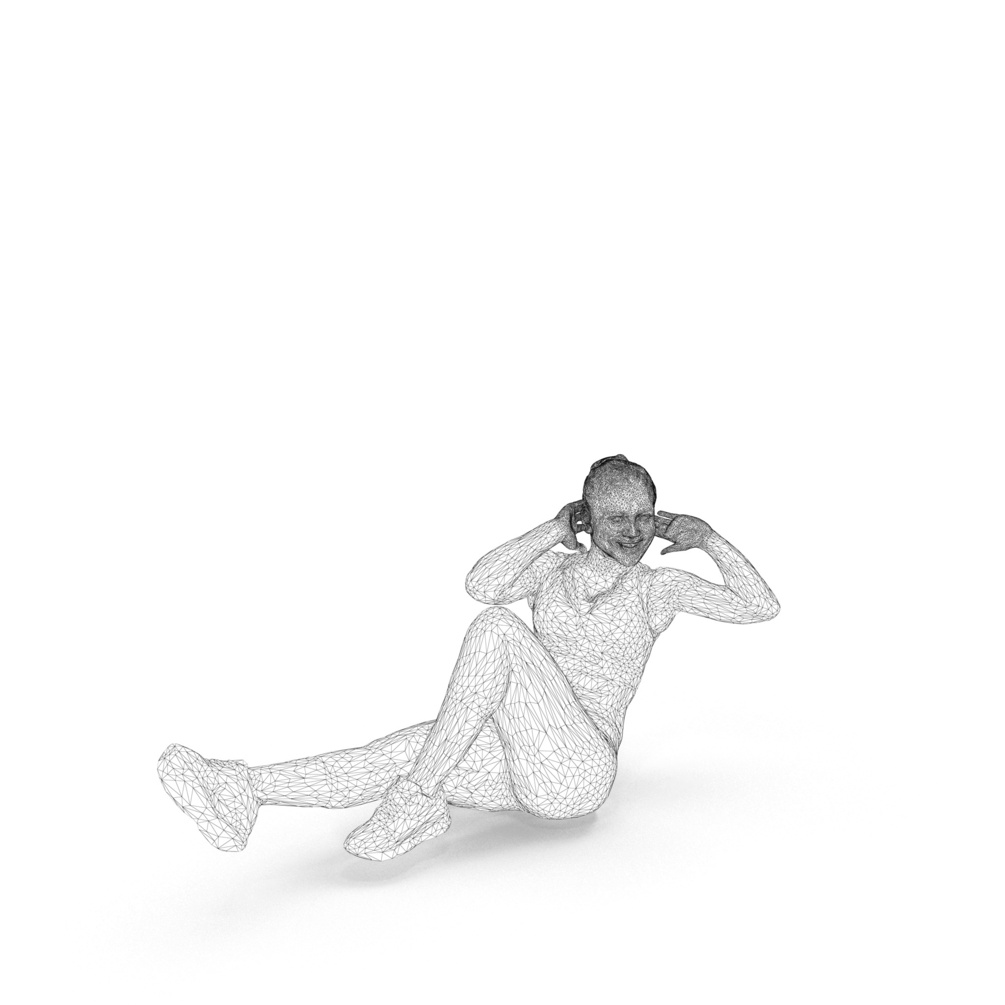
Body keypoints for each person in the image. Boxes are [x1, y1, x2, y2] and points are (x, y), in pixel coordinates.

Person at [158, 455, 779, 861]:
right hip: (520, 754)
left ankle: (417, 799)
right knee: (404, 749)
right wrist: (551, 529)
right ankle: (245, 789)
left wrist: (709, 539)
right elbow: (481, 582)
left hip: (580, 772)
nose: (635, 531)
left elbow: (760, 606)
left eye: (645, 517)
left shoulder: (656, 590)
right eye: (617, 517)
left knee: (496, 631)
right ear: (587, 517)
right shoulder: (552, 572)